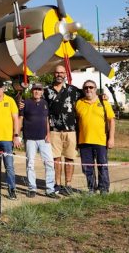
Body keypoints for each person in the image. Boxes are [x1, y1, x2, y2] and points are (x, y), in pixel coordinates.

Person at [44, 65, 84, 195]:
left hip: (70, 131)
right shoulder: (46, 91)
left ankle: (68, 185)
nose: (59, 75)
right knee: (55, 159)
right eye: (57, 72)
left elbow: (89, 96)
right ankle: (57, 184)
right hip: (54, 130)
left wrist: (103, 97)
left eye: (62, 72)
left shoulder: (73, 90)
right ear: (53, 74)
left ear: (65, 74)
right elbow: (40, 108)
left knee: (69, 158)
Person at [75, 80, 116, 194]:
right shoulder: (79, 103)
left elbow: (111, 120)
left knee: (102, 166)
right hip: (84, 141)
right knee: (87, 167)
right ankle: (91, 189)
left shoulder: (103, 102)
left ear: (95, 89)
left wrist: (111, 138)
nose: (88, 89)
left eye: (91, 87)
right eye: (86, 88)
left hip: (101, 140)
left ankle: (103, 189)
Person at [19, 82, 58, 199]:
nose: (37, 91)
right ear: (32, 91)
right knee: (30, 164)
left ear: (42, 92)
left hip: (43, 139)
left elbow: (47, 119)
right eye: (35, 89)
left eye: (39, 89)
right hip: (30, 138)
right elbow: (20, 118)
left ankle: (50, 189)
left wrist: (48, 134)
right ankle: (32, 188)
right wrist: (18, 135)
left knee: (49, 163)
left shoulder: (45, 103)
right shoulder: (25, 102)